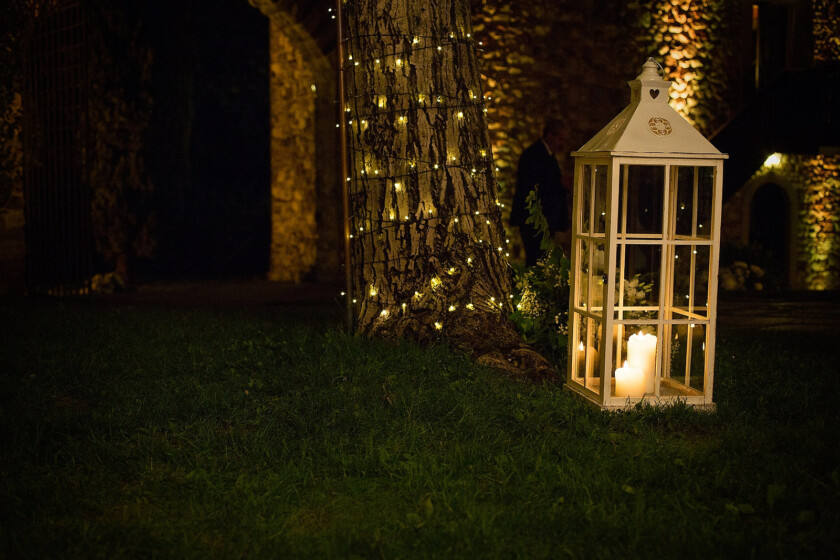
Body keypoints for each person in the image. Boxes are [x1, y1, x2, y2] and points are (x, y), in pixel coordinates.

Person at [510, 119, 570, 266]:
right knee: (536, 259)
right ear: (550, 136)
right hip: (535, 220)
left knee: (541, 259)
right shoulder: (534, 155)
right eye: (560, 139)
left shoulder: (545, 155)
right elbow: (535, 185)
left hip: (543, 219)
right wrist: (560, 183)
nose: (562, 144)